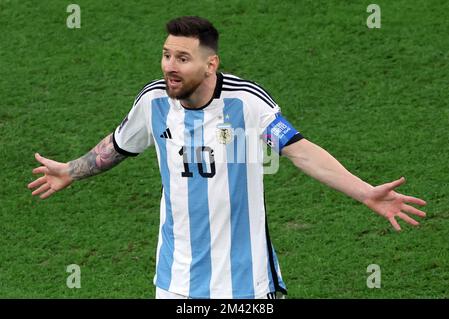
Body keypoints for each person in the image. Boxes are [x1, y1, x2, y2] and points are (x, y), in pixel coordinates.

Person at [28, 16, 427, 299]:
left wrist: (365, 193)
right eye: (167, 55)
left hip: (245, 282)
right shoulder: (153, 102)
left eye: (182, 58)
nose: (170, 66)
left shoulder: (247, 103)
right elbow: (116, 145)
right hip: (176, 279)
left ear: (210, 63)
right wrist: (71, 170)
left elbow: (300, 151)